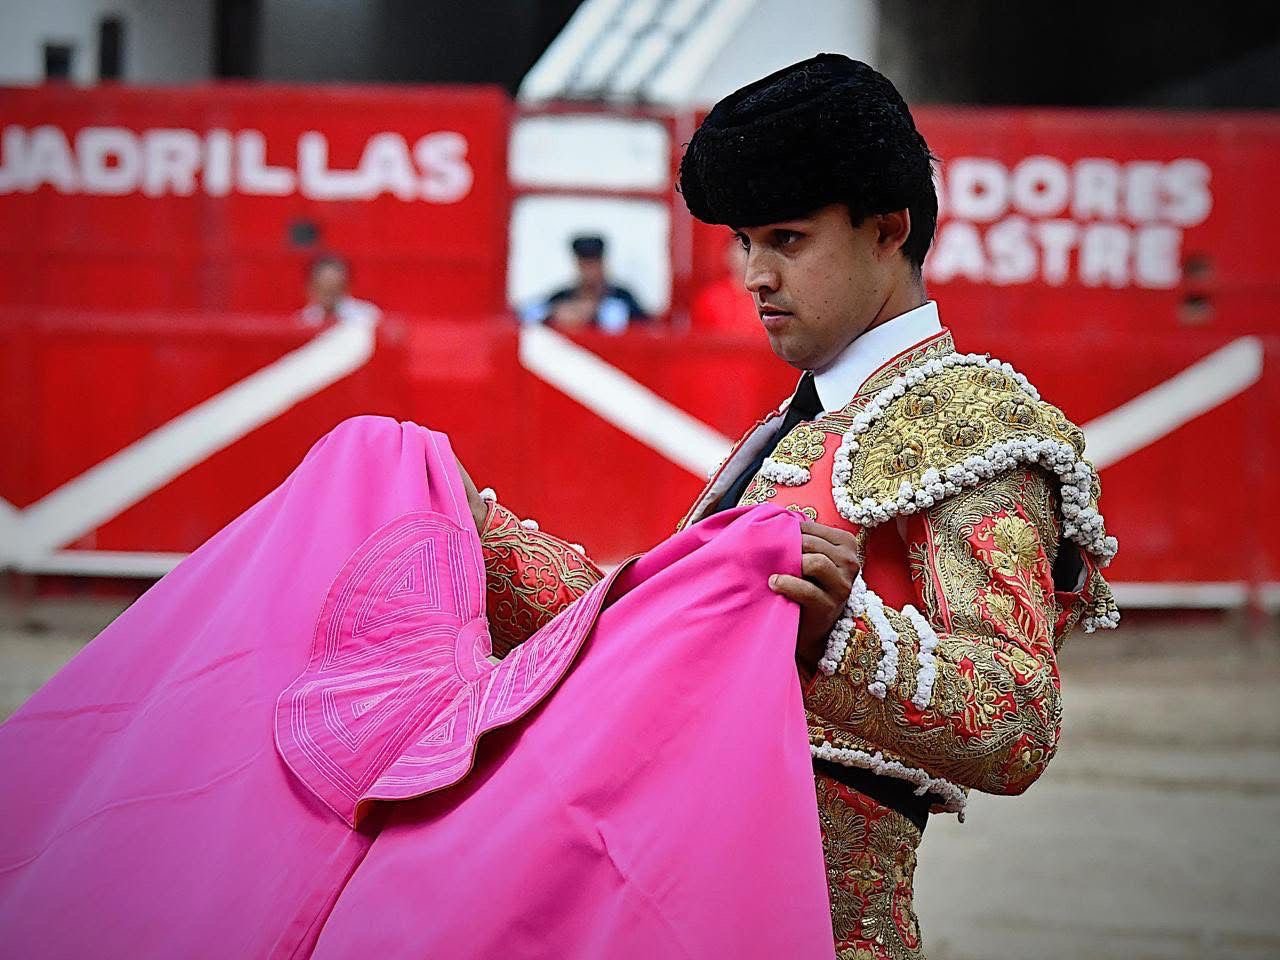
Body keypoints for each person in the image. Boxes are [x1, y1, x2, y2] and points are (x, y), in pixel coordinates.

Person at [461, 53, 1119, 959]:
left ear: (887, 229)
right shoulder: (792, 429)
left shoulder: (973, 427)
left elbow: (1017, 720)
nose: (754, 275)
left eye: (788, 240)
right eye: (746, 242)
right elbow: (642, 641)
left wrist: (838, 637)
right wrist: (478, 539)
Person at [521, 234, 649, 333]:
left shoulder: (622, 296)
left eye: (593, 264)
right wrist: (554, 313)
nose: (589, 272)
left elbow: (644, 326)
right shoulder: (562, 296)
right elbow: (527, 315)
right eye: (584, 265)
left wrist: (596, 312)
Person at [689, 234, 760, 334]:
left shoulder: (771, 299)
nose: (749, 254)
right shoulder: (710, 298)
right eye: (744, 247)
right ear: (728, 255)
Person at [300, 253, 381, 329]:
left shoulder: (368, 316)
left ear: (346, 286)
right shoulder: (303, 321)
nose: (329, 296)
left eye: (333, 290)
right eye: (324, 290)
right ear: (311, 288)